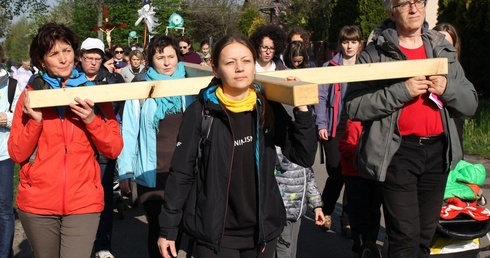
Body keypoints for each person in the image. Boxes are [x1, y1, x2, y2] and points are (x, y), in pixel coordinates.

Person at [157, 34, 317, 258]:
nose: (239, 68)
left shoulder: (266, 108)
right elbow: (182, 173)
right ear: (216, 69)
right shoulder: (201, 113)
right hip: (215, 236)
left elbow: (304, 155)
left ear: (254, 65)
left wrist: (302, 110)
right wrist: (168, 228)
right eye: (230, 62)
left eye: (246, 61)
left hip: (261, 233)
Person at [343, 0, 478, 256]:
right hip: (397, 154)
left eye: (418, 1)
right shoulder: (375, 54)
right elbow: (354, 106)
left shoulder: (441, 48)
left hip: (437, 154)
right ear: (391, 11)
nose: (414, 8)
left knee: (423, 240)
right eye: (405, 3)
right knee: (404, 238)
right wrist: (401, 91)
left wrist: (447, 89)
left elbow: (470, 104)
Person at [7, 22, 123, 258]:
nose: (63, 59)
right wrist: (35, 122)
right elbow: (17, 153)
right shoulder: (31, 95)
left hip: (83, 202)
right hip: (37, 203)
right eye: (54, 54)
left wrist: (91, 119)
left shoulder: (95, 94)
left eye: (67, 50)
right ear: (41, 61)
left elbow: (113, 148)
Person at [117, 34, 196, 258]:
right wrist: (125, 170)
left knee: (178, 225)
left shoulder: (189, 85)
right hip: (152, 172)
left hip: (183, 171)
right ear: (151, 59)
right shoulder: (140, 88)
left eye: (171, 56)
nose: (167, 62)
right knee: (159, 228)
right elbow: (130, 131)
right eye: (161, 57)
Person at [76, 37, 125, 258]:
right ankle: (82, 245)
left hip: (104, 146)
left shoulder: (113, 81)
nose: (93, 63)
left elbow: (114, 107)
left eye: (97, 58)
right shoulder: (71, 79)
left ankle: (103, 246)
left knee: (103, 199)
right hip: (79, 148)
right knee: (80, 198)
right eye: (89, 58)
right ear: (81, 58)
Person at [314, 25, 362, 237]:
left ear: (359, 43)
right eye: (345, 41)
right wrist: (321, 125)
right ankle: (326, 212)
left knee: (354, 174)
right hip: (334, 127)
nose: (349, 46)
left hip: (357, 127)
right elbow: (321, 98)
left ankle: (349, 219)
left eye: (353, 41)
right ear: (340, 43)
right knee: (336, 173)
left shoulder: (366, 65)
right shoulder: (329, 66)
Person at [338, 119, 382, 254]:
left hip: (375, 174)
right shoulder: (355, 124)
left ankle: (370, 245)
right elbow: (344, 146)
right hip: (355, 174)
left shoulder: (381, 124)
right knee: (359, 212)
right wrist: (364, 151)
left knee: (374, 211)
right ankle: (361, 244)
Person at [274, 146, 325, 258]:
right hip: (281, 214)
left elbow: (310, 179)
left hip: (297, 213)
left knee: (291, 251)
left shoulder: (302, 150)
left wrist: (317, 206)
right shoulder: (275, 148)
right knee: (283, 252)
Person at [0, 45, 21, 258]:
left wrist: (8, 119)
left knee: (4, 209)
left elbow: (22, 115)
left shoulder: (12, 84)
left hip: (3, 156)